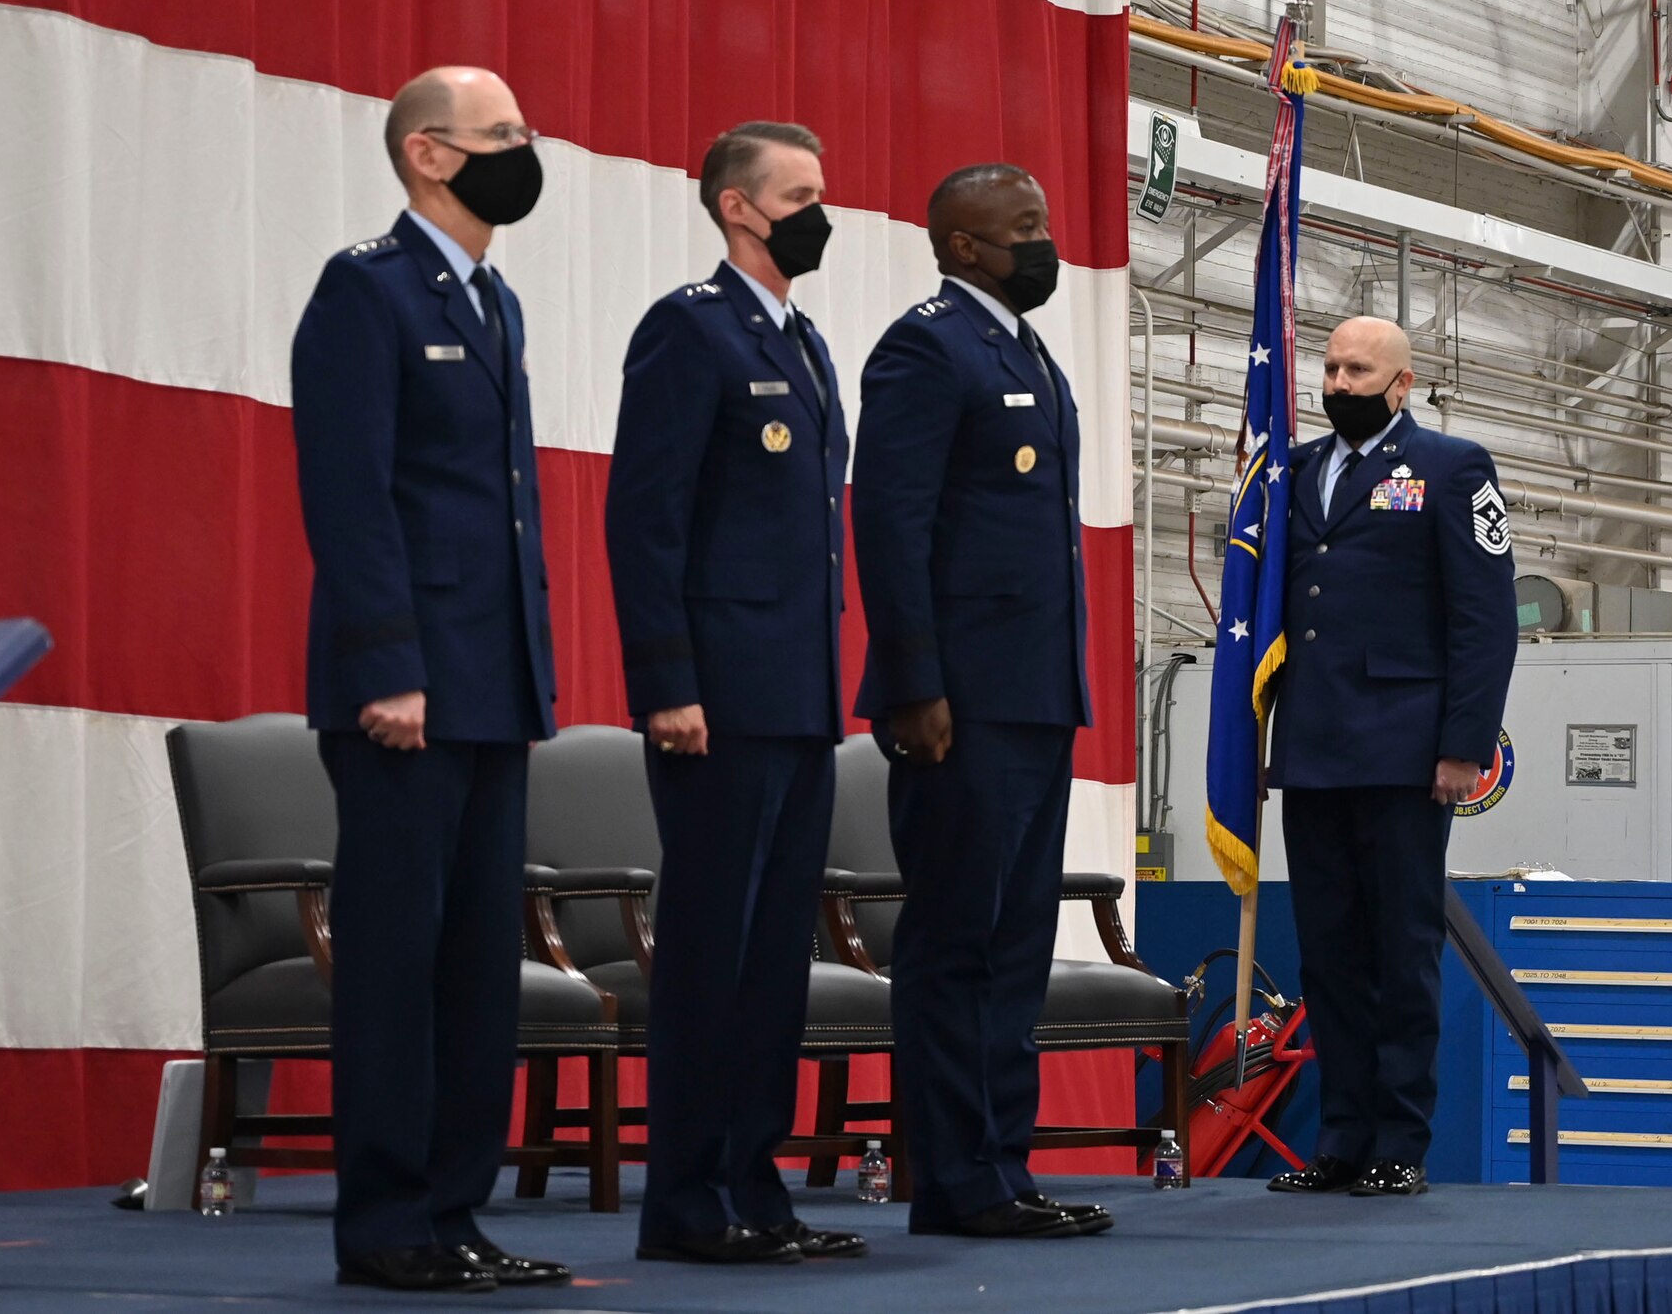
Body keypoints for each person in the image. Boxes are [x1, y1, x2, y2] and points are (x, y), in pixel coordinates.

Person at [290, 66, 567, 1293]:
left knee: (474, 968)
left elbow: (501, 514)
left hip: (490, 684)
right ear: (427, 156)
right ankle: (388, 1220)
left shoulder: (492, 298)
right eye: (502, 135)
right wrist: (386, 668)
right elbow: (352, 500)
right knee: (398, 964)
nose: (525, 150)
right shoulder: (368, 289)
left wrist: (526, 677)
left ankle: (457, 1208)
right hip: (405, 692)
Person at [604, 121, 865, 1266]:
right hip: (714, 697)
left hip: (797, 697)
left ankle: (754, 1186)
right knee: (711, 951)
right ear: (736, 208)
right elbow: (644, 518)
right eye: (799, 193)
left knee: (771, 961)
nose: (821, 210)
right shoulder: (688, 329)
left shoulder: (804, 344)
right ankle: (687, 1199)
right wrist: (666, 681)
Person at [851, 164, 1110, 1240]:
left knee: (1012, 942)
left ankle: (1000, 1163)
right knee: (956, 937)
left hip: (1035, 691)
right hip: (958, 700)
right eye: (1023, 229)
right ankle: (954, 1176)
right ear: (961, 245)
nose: (1043, 242)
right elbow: (890, 524)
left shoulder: (1024, 350)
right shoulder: (926, 345)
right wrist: (914, 682)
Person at [1265, 315, 1518, 1198]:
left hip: (1407, 751)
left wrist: (1464, 746)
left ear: (1402, 383)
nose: (1337, 383)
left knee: (1401, 951)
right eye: (1329, 367)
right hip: (1313, 746)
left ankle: (1398, 1140)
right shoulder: (1291, 470)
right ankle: (1339, 1136)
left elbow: (1486, 620)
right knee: (1328, 953)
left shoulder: (1453, 468)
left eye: (1358, 370)